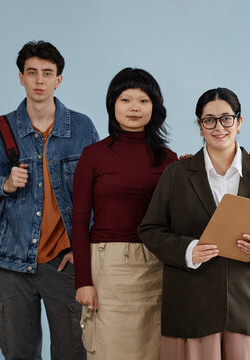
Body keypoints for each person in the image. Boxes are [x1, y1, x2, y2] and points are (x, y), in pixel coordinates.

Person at [0, 41, 99, 359]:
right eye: (32, 72)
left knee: (74, 351)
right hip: (10, 261)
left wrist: (82, 248)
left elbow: (98, 190)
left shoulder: (82, 127)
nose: (39, 80)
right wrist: (1, 183)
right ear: (21, 77)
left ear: (59, 79)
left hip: (65, 262)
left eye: (47, 73)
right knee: (18, 352)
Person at [138, 87, 250, 360]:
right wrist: (187, 250)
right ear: (200, 125)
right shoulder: (176, 174)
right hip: (192, 306)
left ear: (239, 123)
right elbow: (150, 229)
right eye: (209, 120)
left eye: (227, 118)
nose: (219, 127)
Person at [72, 67, 177, 359]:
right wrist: (83, 281)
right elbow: (80, 221)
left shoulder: (168, 159)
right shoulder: (93, 155)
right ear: (112, 104)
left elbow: (175, 219)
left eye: (143, 100)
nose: (134, 107)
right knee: (107, 349)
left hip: (156, 264)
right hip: (106, 267)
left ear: (154, 107)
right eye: (126, 99)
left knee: (154, 349)